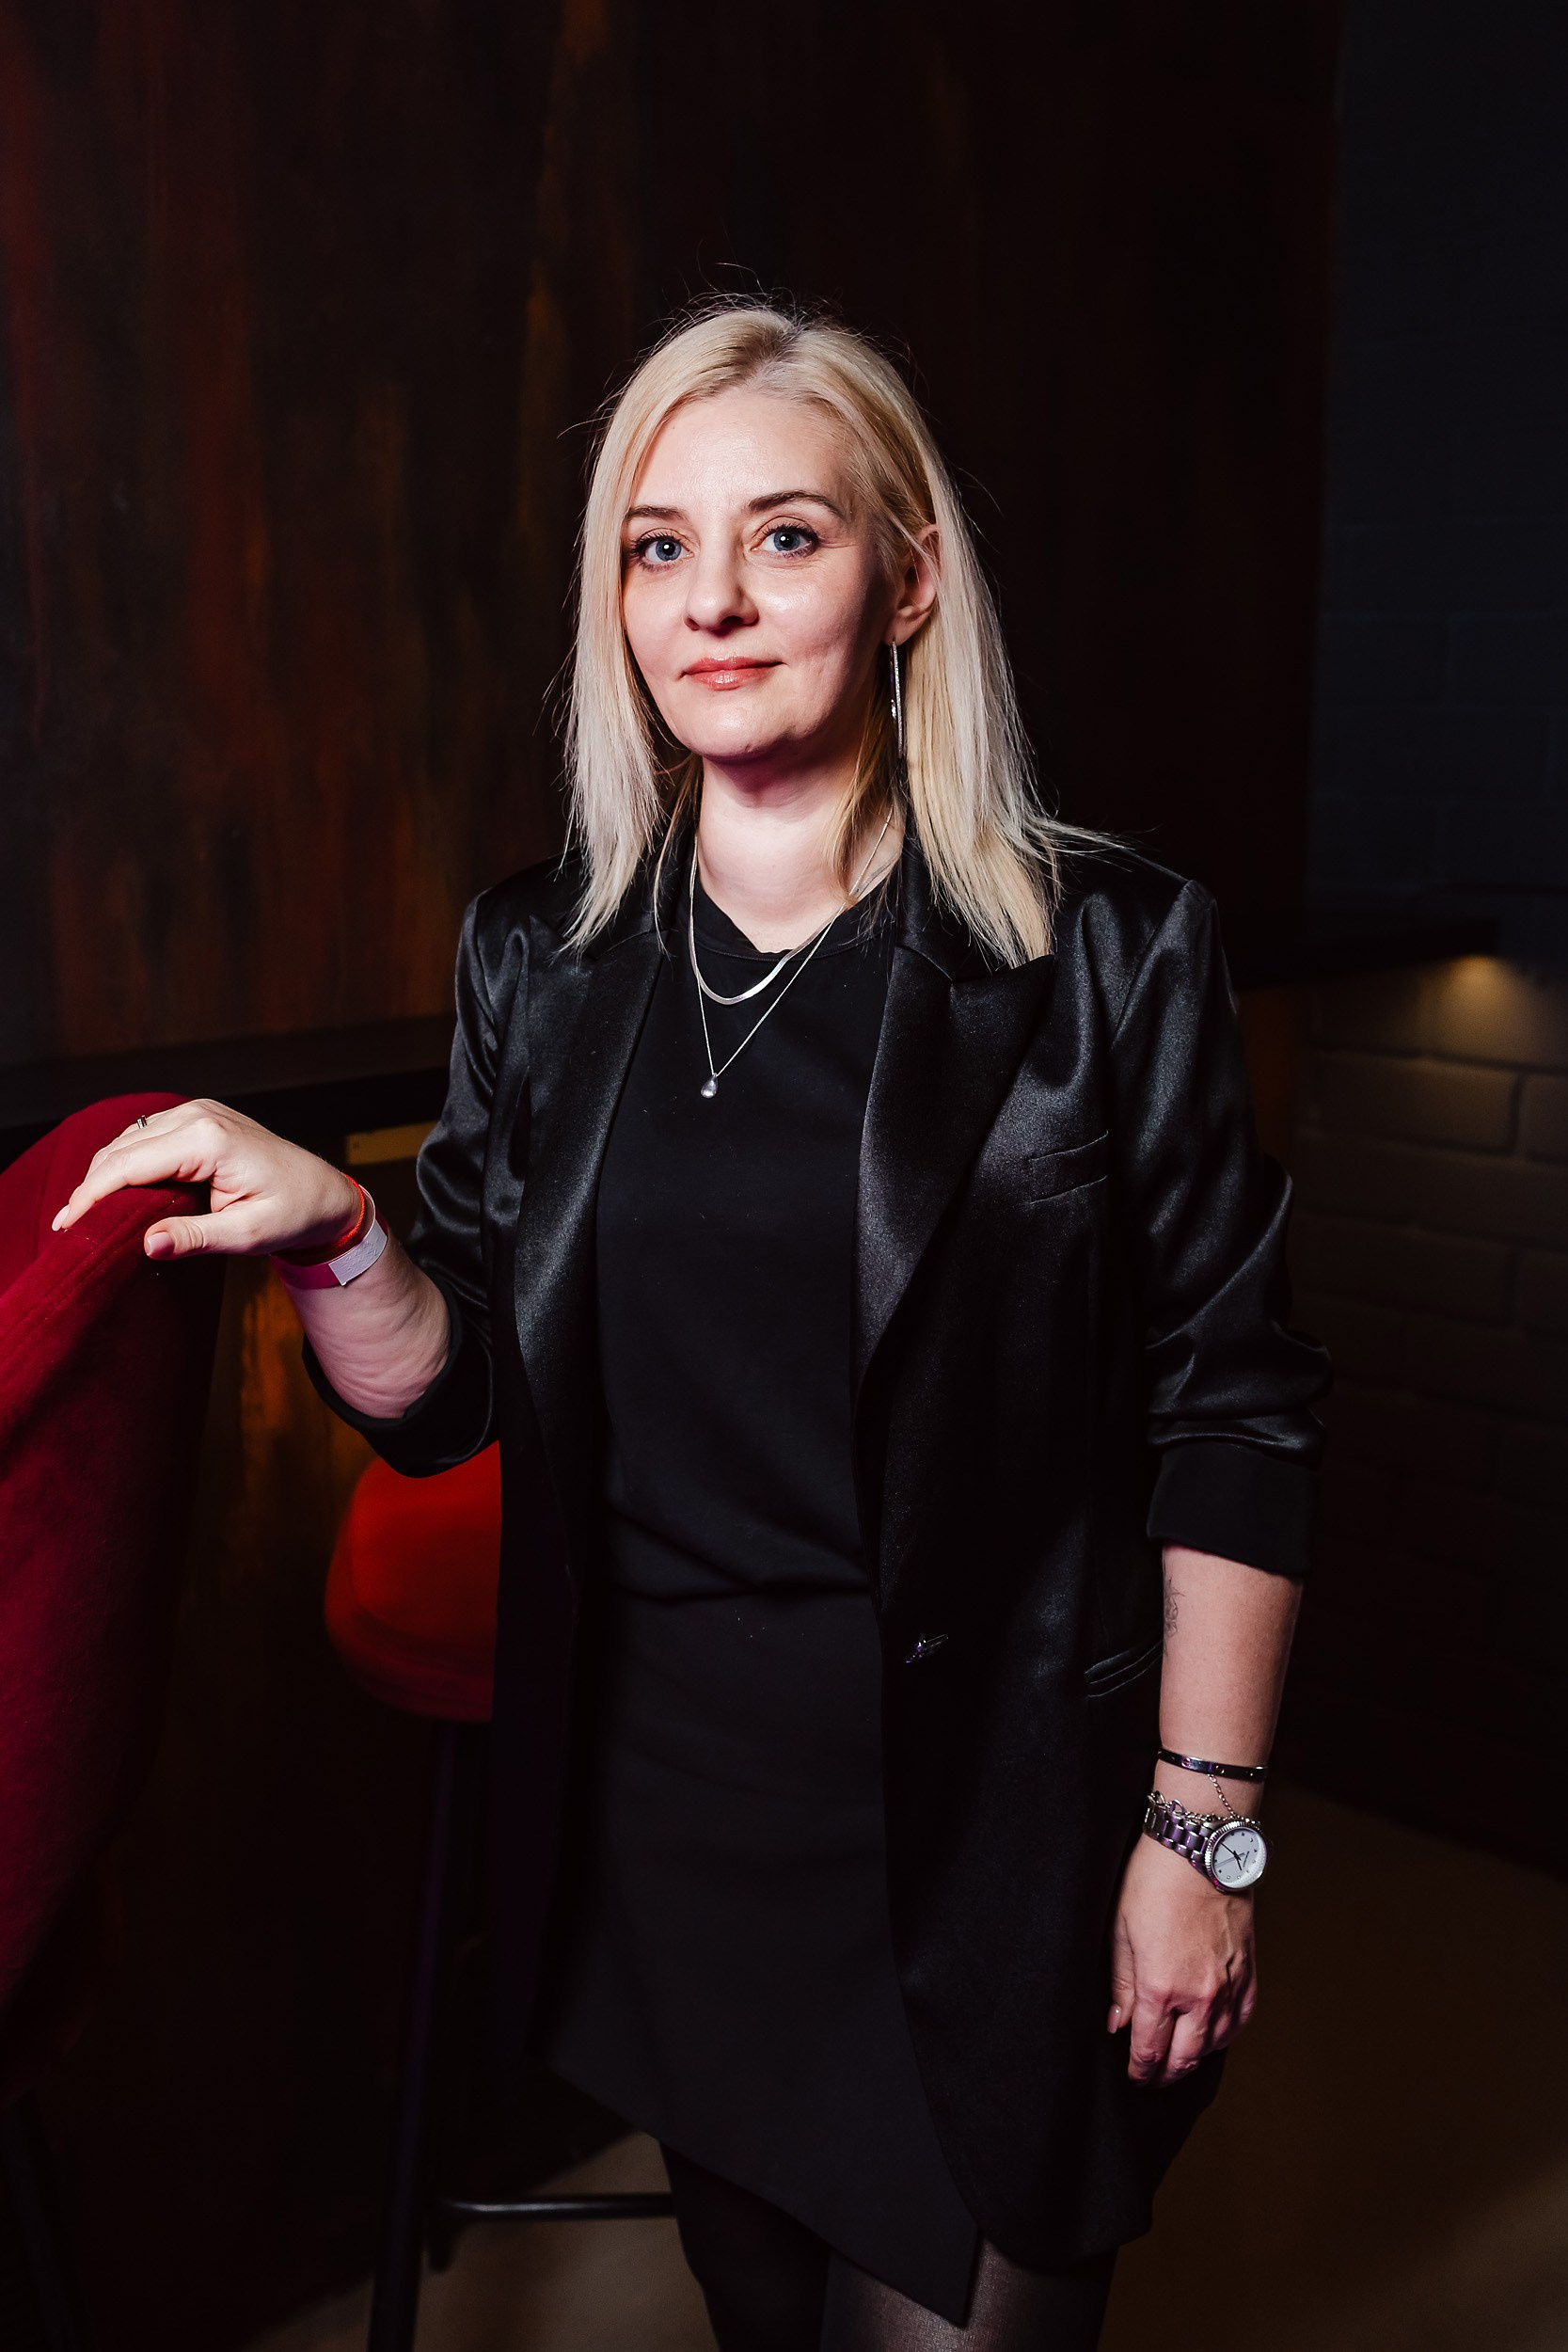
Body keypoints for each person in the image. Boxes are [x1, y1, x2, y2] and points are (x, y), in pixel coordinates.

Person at [57, 303, 1329, 2351]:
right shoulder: (542, 956)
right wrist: (338, 1237)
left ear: (909, 578)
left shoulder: (1108, 950)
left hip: (988, 1826)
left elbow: (1235, 1412)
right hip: (669, 1819)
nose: (711, 601)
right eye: (659, 547)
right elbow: (449, 1396)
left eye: (785, 536)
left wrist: (1204, 1827)